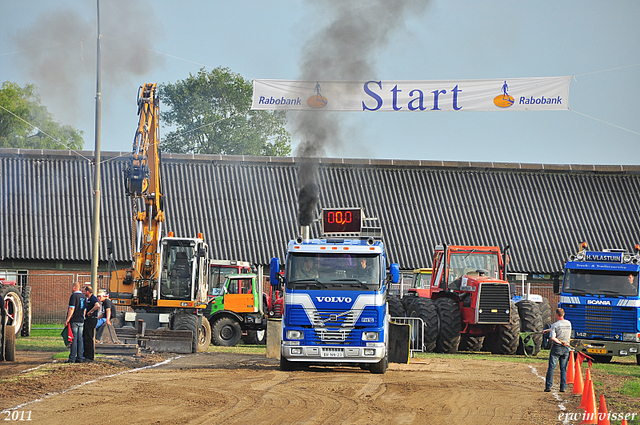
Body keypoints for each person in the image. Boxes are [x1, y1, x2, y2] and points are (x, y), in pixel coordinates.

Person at [544, 308, 572, 392]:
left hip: (557, 347)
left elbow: (553, 338)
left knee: (552, 367)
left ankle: (548, 386)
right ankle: (563, 387)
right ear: (563, 314)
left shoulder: (555, 325)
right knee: (563, 368)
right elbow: (558, 329)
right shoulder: (568, 323)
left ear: (557, 314)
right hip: (566, 347)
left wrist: (560, 343)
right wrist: (547, 330)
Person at [64, 282, 85, 363]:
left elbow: (71, 309)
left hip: (75, 320)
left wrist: (68, 319)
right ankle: (80, 357)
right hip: (81, 320)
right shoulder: (83, 296)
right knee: (80, 339)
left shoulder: (74, 296)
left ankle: (72, 358)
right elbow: (84, 310)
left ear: (74, 287)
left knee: (74, 339)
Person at [82, 285, 100, 362]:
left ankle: (90, 356)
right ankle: (85, 354)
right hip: (87, 320)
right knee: (85, 337)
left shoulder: (93, 298)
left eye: (83, 291)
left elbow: (97, 305)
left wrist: (91, 312)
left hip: (91, 319)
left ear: (87, 292)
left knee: (89, 337)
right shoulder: (87, 299)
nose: (82, 292)